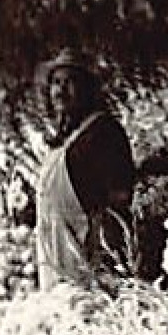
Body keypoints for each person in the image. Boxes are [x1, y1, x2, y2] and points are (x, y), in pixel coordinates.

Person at [33, 50, 134, 291]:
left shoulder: (103, 131)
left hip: (85, 248)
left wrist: (111, 248)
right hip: (53, 248)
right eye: (56, 83)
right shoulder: (63, 139)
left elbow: (120, 197)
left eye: (70, 82)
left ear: (87, 88)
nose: (61, 90)